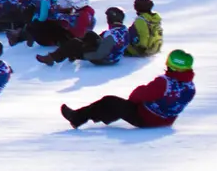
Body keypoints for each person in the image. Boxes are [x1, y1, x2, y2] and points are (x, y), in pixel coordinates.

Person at [61, 50, 197, 129]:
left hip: (146, 118)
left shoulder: (165, 82)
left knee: (110, 101)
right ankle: (105, 116)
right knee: (117, 107)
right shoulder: (190, 87)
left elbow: (140, 95)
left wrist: (132, 102)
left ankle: (76, 117)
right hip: (166, 121)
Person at [37, 5, 133, 66]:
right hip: (114, 56)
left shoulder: (111, 35)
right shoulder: (123, 30)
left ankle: (52, 58)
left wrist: (82, 55)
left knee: (73, 43)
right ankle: (71, 52)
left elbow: (100, 54)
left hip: (105, 59)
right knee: (89, 34)